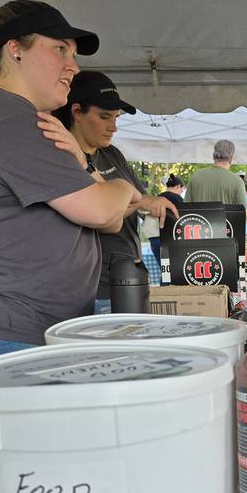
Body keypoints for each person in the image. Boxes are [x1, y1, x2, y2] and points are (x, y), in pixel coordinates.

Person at [0, 0, 144, 369]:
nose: (73, 66)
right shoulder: (3, 114)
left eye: (74, 54)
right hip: (0, 324)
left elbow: (111, 222)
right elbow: (103, 209)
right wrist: (127, 189)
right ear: (15, 50)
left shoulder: (21, 116)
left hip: (18, 325)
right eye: (60, 49)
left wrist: (86, 165)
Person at [52, 71, 177, 313]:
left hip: (130, 279)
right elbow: (107, 218)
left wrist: (152, 202)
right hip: (93, 290)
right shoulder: (63, 159)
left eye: (116, 117)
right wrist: (130, 201)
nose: (113, 127)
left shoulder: (111, 154)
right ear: (77, 112)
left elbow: (137, 198)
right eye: (104, 117)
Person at [186, 140, 246, 206]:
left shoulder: (196, 176)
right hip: (226, 217)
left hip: (199, 216)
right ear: (231, 158)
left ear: (213, 156)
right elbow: (244, 213)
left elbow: (185, 208)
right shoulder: (237, 181)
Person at [145, 173, 185, 267]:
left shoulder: (156, 198)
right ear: (178, 186)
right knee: (172, 270)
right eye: (182, 189)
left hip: (154, 238)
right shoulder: (178, 199)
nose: (182, 192)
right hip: (169, 239)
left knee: (164, 270)